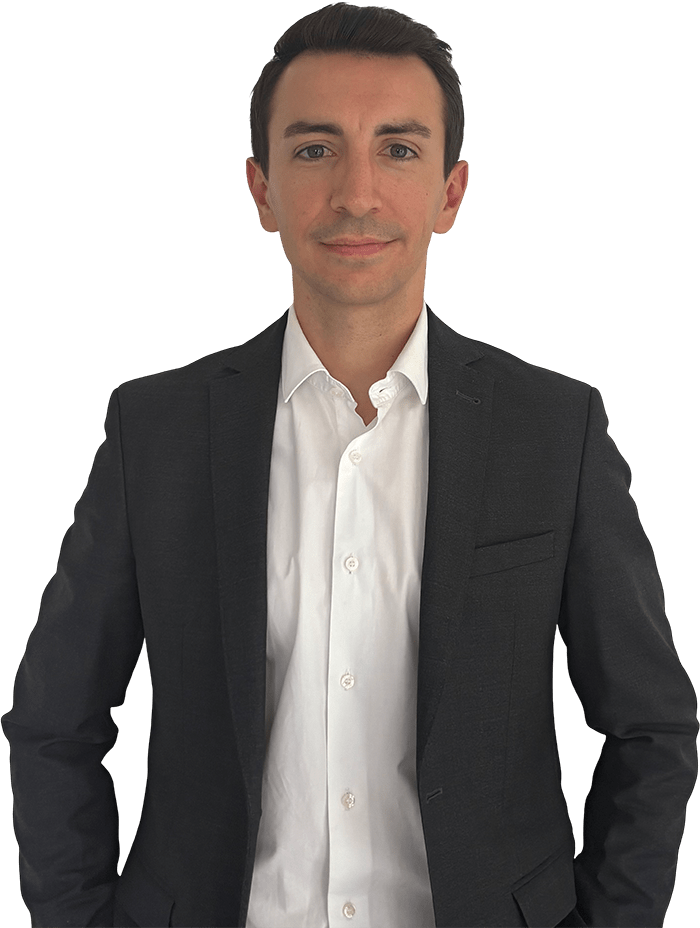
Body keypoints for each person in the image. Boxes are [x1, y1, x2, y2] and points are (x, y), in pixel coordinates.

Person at [2, 4, 697, 927]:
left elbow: (652, 727)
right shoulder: (154, 430)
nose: (357, 193)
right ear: (262, 190)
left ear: (451, 193)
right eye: (315, 149)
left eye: (398, 150)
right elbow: (54, 721)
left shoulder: (555, 429)